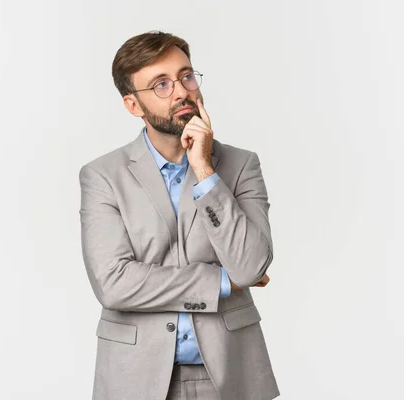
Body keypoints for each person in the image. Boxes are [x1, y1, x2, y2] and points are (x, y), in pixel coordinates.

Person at [78, 30, 280, 400]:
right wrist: (221, 282)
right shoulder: (102, 176)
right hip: (135, 377)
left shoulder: (240, 165)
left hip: (231, 372)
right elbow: (114, 284)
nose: (182, 91)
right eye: (161, 85)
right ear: (133, 105)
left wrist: (204, 170)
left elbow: (250, 267)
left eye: (186, 76)